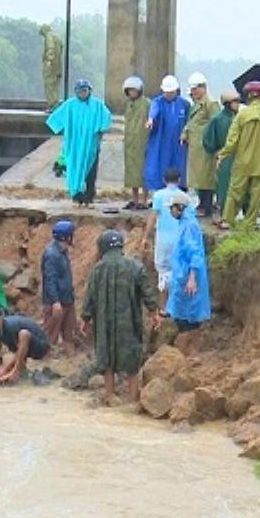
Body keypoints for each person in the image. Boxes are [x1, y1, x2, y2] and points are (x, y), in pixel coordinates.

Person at [80, 229, 161, 405]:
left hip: (104, 323)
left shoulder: (97, 270)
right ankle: (132, 398)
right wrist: (154, 313)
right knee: (132, 358)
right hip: (129, 322)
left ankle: (110, 395)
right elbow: (148, 293)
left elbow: (90, 298)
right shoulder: (135, 267)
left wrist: (85, 320)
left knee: (107, 357)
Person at [217, 81, 260, 231]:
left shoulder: (241, 115)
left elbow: (232, 141)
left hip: (242, 162)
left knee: (235, 192)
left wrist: (222, 155)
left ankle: (227, 220)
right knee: (256, 196)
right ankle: (250, 223)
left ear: (249, 95)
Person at [46, 78, 113, 206]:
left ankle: (89, 196)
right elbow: (55, 120)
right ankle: (76, 195)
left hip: (90, 145)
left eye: (84, 90)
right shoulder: (70, 105)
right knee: (73, 168)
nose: (82, 93)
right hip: (73, 144)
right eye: (79, 91)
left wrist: (100, 131)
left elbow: (106, 119)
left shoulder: (97, 105)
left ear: (89, 91)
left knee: (91, 171)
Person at [165, 191, 211, 354]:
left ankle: (185, 353)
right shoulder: (186, 223)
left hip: (187, 277)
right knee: (190, 319)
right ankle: (192, 352)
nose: (171, 211)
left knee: (186, 319)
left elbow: (195, 253)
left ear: (180, 208)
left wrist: (192, 278)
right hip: (183, 275)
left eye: (172, 208)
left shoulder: (189, 226)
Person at [142, 168, 185, 309]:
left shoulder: (159, 195)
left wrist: (145, 238)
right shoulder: (184, 197)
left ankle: (163, 308)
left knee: (163, 274)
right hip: (179, 241)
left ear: (164, 180)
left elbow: (153, 217)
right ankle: (177, 308)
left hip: (163, 242)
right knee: (178, 273)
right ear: (179, 180)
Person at [182, 72, 222, 217]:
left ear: (203, 88)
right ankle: (201, 203)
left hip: (206, 148)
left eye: (195, 89)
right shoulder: (196, 105)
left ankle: (207, 206)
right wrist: (185, 131)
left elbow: (216, 124)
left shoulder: (211, 104)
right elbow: (192, 122)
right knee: (198, 178)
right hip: (195, 148)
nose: (193, 92)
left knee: (207, 178)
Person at [0, 306, 50, 384]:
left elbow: (19, 351)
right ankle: (19, 372)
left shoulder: (10, 326)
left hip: (40, 348)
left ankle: (15, 372)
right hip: (25, 348)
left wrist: (5, 369)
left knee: (23, 334)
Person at [144, 75, 190, 192]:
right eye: (166, 92)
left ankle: (179, 191)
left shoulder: (184, 104)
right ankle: (161, 191)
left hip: (179, 142)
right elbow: (154, 111)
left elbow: (190, 120)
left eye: (171, 92)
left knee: (179, 166)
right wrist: (151, 120)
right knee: (160, 166)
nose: (169, 95)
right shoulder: (158, 102)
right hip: (162, 140)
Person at [203, 88, 241, 227]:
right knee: (223, 187)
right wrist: (216, 151)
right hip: (224, 158)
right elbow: (208, 140)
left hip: (236, 157)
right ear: (227, 103)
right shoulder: (217, 119)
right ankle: (223, 214)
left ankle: (231, 214)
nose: (238, 104)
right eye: (235, 102)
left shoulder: (238, 118)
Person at [41, 220, 79, 349]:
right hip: (56, 303)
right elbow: (49, 280)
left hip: (67, 300)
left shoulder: (63, 251)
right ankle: (44, 363)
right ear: (66, 237)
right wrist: (55, 302)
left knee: (70, 335)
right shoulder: (52, 255)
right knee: (50, 337)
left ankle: (69, 361)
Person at [122, 75, 152, 210]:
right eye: (129, 90)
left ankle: (145, 200)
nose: (131, 93)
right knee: (131, 174)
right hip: (130, 143)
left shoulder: (147, 104)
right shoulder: (128, 105)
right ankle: (134, 200)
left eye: (134, 90)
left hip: (143, 141)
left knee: (144, 172)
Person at [39, 24, 64, 111]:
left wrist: (49, 60)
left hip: (51, 67)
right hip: (58, 66)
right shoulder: (58, 38)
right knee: (55, 86)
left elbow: (50, 48)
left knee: (49, 86)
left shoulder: (49, 36)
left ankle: (52, 105)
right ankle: (55, 104)